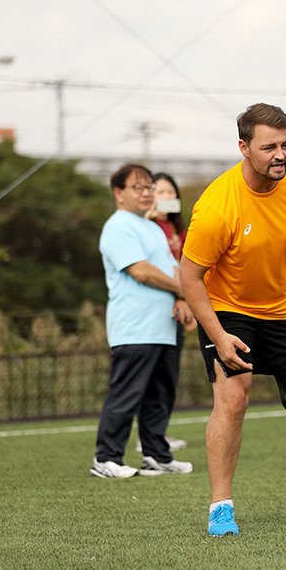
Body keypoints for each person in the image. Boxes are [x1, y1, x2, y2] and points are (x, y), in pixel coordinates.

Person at [179, 103, 286, 538]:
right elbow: (189, 277)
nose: (281, 155)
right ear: (243, 148)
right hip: (228, 307)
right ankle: (220, 506)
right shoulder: (216, 206)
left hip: (279, 309)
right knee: (233, 397)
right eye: (269, 146)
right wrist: (218, 335)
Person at [92, 163, 195, 479]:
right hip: (135, 326)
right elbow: (141, 271)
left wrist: (182, 298)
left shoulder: (151, 227)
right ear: (118, 193)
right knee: (127, 392)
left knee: (160, 394)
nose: (148, 192)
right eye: (139, 187)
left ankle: (156, 455)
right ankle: (106, 458)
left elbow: (172, 269)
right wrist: (187, 291)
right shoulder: (119, 225)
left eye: (150, 186)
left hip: (165, 325)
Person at [136, 171, 194, 453]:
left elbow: (184, 267)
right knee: (150, 374)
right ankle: (148, 435)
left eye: (171, 193)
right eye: (160, 192)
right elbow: (151, 268)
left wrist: (186, 300)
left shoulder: (179, 230)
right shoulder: (143, 226)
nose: (167, 198)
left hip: (176, 307)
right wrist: (180, 296)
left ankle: (157, 433)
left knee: (167, 374)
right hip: (152, 308)